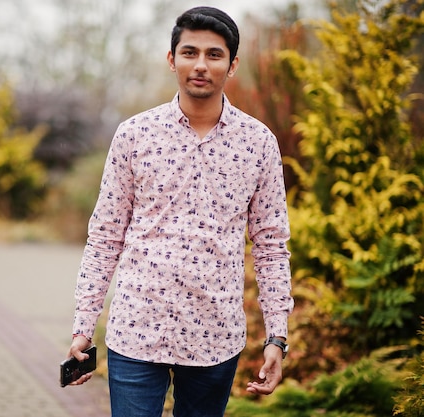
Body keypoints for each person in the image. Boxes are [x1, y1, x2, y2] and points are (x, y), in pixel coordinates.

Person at [66, 6, 294, 417]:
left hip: (215, 336)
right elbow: (104, 238)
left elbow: (271, 246)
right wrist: (84, 326)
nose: (201, 65)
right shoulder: (134, 135)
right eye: (189, 52)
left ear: (232, 64)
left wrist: (277, 337)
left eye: (214, 54)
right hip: (136, 330)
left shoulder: (259, 143)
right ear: (172, 60)